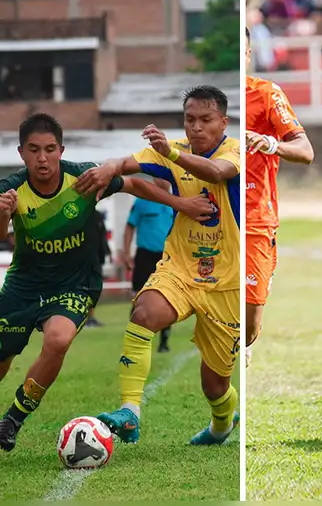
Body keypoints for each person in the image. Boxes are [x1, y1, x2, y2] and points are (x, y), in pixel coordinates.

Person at [0, 113, 213, 451]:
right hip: (24, 285)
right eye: (34, 150)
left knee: (58, 339)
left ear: (61, 149)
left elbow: (134, 184)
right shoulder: (9, 189)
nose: (43, 158)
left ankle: (12, 420)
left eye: (50, 149)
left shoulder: (83, 177)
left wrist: (181, 203)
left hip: (76, 284)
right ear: (22, 153)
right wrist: (2, 214)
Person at [75, 85, 243, 441]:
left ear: (223, 122)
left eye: (205, 120)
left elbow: (215, 172)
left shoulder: (234, 151)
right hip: (180, 268)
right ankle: (130, 411)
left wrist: (169, 154)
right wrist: (108, 169)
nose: (196, 127)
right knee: (144, 313)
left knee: (214, 386)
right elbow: (127, 167)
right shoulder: (174, 152)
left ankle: (222, 424)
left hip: (226, 283)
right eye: (189, 119)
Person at [245, 27, 315, 368]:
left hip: (256, 218)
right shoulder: (205, 103)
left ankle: (242, 348)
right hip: (212, 215)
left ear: (247, 55)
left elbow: (305, 151)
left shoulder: (266, 94)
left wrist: (272, 144)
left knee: (250, 321)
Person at [122, 196, 174, 352]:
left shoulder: (177, 198)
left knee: (169, 298)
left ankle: (164, 342)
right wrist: (126, 252)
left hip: (167, 256)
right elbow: (130, 226)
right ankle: (134, 339)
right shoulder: (142, 201)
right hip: (145, 255)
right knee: (138, 298)